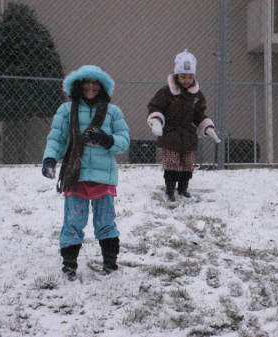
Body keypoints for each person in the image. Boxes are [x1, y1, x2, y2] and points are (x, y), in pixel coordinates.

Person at [42, 65, 130, 279]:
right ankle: (69, 263)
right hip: (76, 174)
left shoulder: (113, 112)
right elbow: (57, 138)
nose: (91, 87)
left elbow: (124, 140)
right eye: (86, 82)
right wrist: (50, 159)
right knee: (73, 220)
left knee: (105, 221)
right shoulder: (65, 110)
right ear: (78, 86)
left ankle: (110, 262)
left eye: (95, 83)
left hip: (103, 176)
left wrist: (107, 139)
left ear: (102, 87)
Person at [147, 49, 221, 202]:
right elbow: (155, 107)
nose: (186, 80)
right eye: (183, 76)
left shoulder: (197, 95)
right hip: (170, 135)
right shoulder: (166, 92)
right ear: (176, 75)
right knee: (172, 164)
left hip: (188, 136)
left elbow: (199, 115)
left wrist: (207, 127)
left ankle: (183, 188)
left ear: (194, 76)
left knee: (187, 165)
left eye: (190, 77)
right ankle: (169, 189)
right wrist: (156, 121)